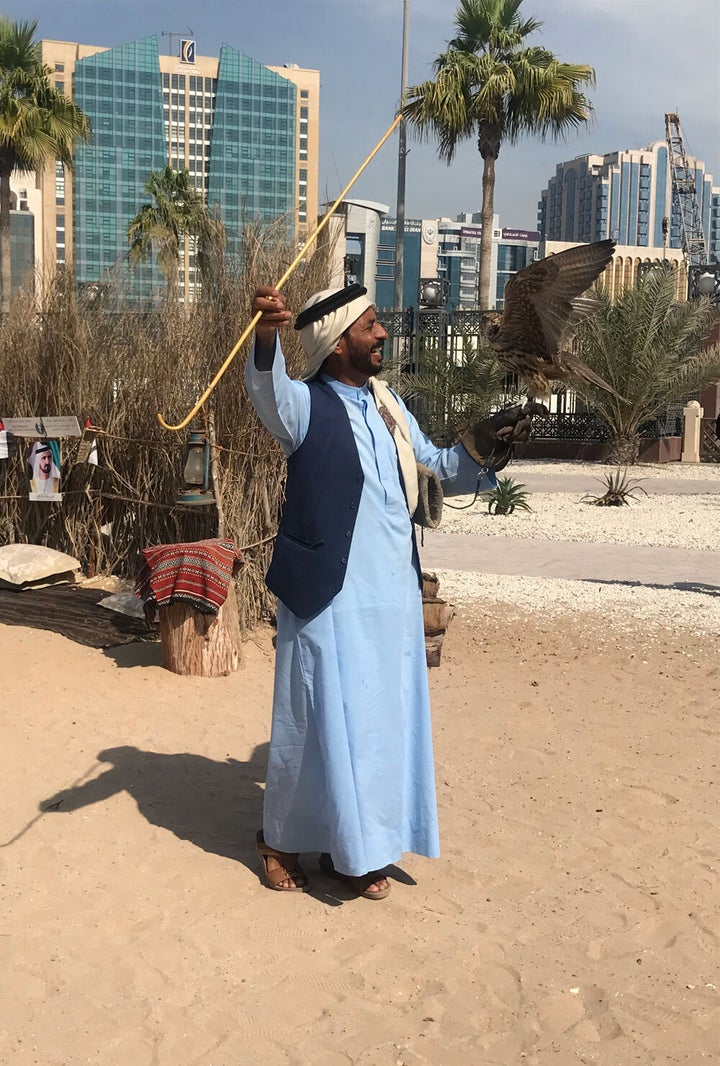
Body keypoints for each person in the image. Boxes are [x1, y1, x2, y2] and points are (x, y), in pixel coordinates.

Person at [245, 283, 538, 899]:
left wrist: (484, 441)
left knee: (377, 722)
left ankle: (355, 847)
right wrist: (267, 334)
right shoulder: (303, 405)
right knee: (311, 715)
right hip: (328, 596)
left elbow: (434, 468)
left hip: (391, 596)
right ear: (337, 343)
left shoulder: (388, 405)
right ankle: (277, 840)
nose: (381, 335)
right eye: (370, 326)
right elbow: (266, 392)